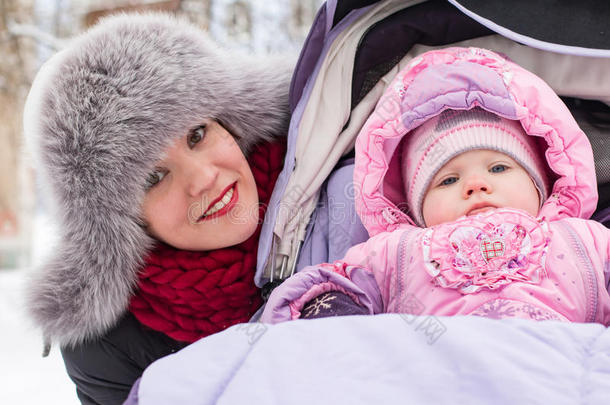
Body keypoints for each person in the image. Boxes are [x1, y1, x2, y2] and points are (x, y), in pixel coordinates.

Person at [23, 13, 368, 405]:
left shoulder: (355, 188)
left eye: (197, 135)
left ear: (233, 122)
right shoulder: (109, 346)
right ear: (117, 221)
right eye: (154, 178)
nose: (203, 177)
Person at [261, 46, 610, 325]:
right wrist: (333, 313)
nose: (476, 185)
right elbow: (342, 283)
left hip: (561, 364)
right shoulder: (397, 251)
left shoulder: (583, 239)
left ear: (542, 185)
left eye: (500, 167)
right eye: (448, 179)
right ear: (416, 206)